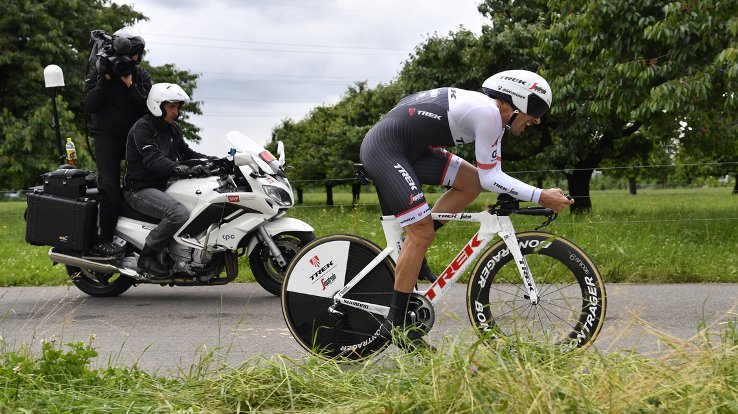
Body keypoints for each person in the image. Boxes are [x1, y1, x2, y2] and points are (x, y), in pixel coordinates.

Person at [359, 69, 574, 350]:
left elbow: (484, 178)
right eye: (536, 109)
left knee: (470, 184)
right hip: (386, 150)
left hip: (410, 148)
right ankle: (397, 325)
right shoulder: (489, 114)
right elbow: (492, 177)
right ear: (515, 100)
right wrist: (540, 195)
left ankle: (415, 248)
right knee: (421, 233)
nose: (538, 119)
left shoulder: (488, 111)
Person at [123, 83, 212, 277]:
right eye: (172, 107)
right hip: (139, 189)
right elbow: (153, 159)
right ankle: (147, 256)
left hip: (161, 186)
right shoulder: (143, 128)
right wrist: (178, 168)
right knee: (178, 213)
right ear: (158, 106)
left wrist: (214, 161)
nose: (176, 111)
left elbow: (186, 153)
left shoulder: (172, 129)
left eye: (178, 107)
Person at [84, 27, 152, 258]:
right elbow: (90, 105)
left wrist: (129, 85)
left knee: (144, 185)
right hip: (106, 136)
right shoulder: (101, 72)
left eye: (137, 55)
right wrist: (105, 81)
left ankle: (142, 236)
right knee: (109, 187)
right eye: (134, 54)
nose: (135, 59)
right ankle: (103, 240)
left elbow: (148, 108)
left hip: (133, 137)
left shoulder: (140, 76)